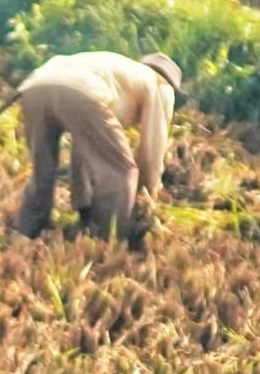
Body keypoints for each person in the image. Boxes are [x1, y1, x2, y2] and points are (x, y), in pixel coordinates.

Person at [12, 49, 182, 240]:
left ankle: (26, 232)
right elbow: (152, 150)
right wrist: (145, 198)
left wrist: (82, 205)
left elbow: (85, 147)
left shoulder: (121, 69)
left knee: (42, 168)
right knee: (121, 170)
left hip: (36, 84)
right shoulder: (160, 84)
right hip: (80, 90)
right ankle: (110, 240)